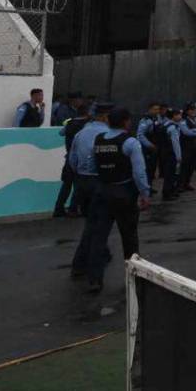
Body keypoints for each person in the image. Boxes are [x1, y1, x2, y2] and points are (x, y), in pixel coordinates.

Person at [85, 107, 150, 294]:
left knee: (98, 238)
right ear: (126, 122)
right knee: (129, 237)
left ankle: (94, 280)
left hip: (102, 190)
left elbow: (91, 164)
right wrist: (144, 194)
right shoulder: (130, 142)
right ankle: (134, 276)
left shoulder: (98, 140)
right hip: (124, 193)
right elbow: (139, 172)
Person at [68, 103, 113, 280]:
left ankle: (102, 254)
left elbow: (72, 159)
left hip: (82, 181)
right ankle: (84, 266)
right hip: (98, 181)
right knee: (96, 227)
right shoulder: (107, 135)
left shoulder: (81, 133)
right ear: (104, 117)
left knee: (91, 221)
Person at [53, 105, 91, 217]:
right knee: (79, 185)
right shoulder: (87, 125)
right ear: (87, 113)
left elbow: (61, 133)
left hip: (69, 156)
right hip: (81, 157)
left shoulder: (70, 123)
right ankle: (73, 208)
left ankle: (59, 208)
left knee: (66, 184)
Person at [136, 104, 162, 194]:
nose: (157, 111)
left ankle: (149, 186)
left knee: (152, 168)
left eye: (158, 109)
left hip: (155, 147)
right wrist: (149, 145)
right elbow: (140, 135)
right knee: (146, 169)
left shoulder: (157, 118)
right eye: (155, 109)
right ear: (149, 110)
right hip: (147, 148)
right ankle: (145, 189)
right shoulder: (145, 120)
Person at [178, 104, 196, 191]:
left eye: (194, 109)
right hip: (186, 146)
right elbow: (187, 133)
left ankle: (187, 183)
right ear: (187, 111)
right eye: (191, 110)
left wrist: (193, 131)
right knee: (184, 166)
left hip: (195, 145)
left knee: (192, 166)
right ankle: (180, 185)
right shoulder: (183, 120)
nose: (193, 111)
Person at [159, 109, 182, 201]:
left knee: (169, 174)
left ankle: (170, 191)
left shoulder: (166, 124)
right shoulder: (173, 128)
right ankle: (167, 193)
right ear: (173, 116)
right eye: (178, 115)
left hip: (164, 152)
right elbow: (175, 143)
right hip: (171, 153)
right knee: (171, 175)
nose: (180, 116)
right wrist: (179, 156)